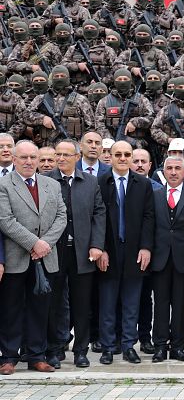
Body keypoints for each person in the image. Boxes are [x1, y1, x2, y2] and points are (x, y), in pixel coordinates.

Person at [0, 140, 67, 375]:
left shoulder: (52, 185)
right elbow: (5, 220)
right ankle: (9, 356)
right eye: (23, 157)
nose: (29, 162)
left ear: (38, 160)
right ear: (15, 160)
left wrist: (45, 244)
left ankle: (37, 356)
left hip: (46, 256)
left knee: (41, 308)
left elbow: (61, 217)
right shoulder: (3, 184)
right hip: (16, 257)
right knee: (12, 308)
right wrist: (34, 243)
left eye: (33, 158)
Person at [45, 140, 106, 369]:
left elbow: (99, 213)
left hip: (82, 253)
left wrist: (96, 244)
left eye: (66, 155)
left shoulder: (90, 182)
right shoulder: (46, 180)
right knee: (53, 303)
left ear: (77, 156)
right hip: (54, 252)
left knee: (82, 305)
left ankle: (81, 350)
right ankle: (54, 349)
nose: (61, 158)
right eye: (58, 154)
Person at [96, 141, 155, 365]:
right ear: (109, 156)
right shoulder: (101, 182)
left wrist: (146, 247)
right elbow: (97, 217)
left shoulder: (143, 184)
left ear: (131, 158)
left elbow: (149, 217)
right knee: (108, 303)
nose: (122, 158)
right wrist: (100, 248)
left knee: (132, 303)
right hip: (108, 252)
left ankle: (129, 345)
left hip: (134, 251)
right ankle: (108, 347)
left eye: (126, 154)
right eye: (117, 154)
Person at [151, 156, 184, 363]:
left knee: (181, 304)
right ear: (163, 171)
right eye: (169, 168)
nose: (173, 172)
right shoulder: (154, 195)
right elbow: (149, 226)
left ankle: (178, 347)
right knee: (161, 304)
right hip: (160, 258)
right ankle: (160, 346)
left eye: (177, 169)